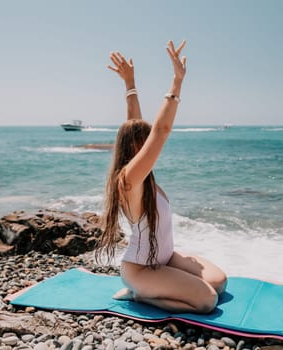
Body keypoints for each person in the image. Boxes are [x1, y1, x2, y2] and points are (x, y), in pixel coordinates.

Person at [97, 40, 227, 314]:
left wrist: (129, 85)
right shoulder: (128, 179)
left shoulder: (142, 175)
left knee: (219, 282)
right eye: (142, 141)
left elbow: (136, 125)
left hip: (164, 258)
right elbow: (161, 130)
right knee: (206, 301)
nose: (148, 145)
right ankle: (138, 295)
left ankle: (158, 285)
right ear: (134, 146)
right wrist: (177, 82)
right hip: (140, 269)